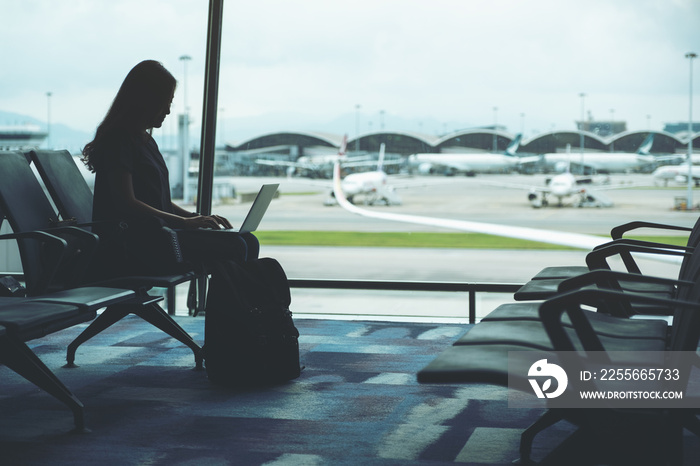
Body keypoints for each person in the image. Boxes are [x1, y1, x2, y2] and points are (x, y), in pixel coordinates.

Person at [82, 59, 258, 278]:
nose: (167, 111)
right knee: (238, 246)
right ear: (144, 102)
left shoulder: (143, 140)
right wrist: (185, 222)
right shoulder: (119, 140)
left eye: (170, 103)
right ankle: (235, 311)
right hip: (136, 246)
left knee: (248, 240)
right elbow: (126, 202)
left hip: (160, 236)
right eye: (163, 103)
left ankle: (242, 310)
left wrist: (196, 218)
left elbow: (159, 201)